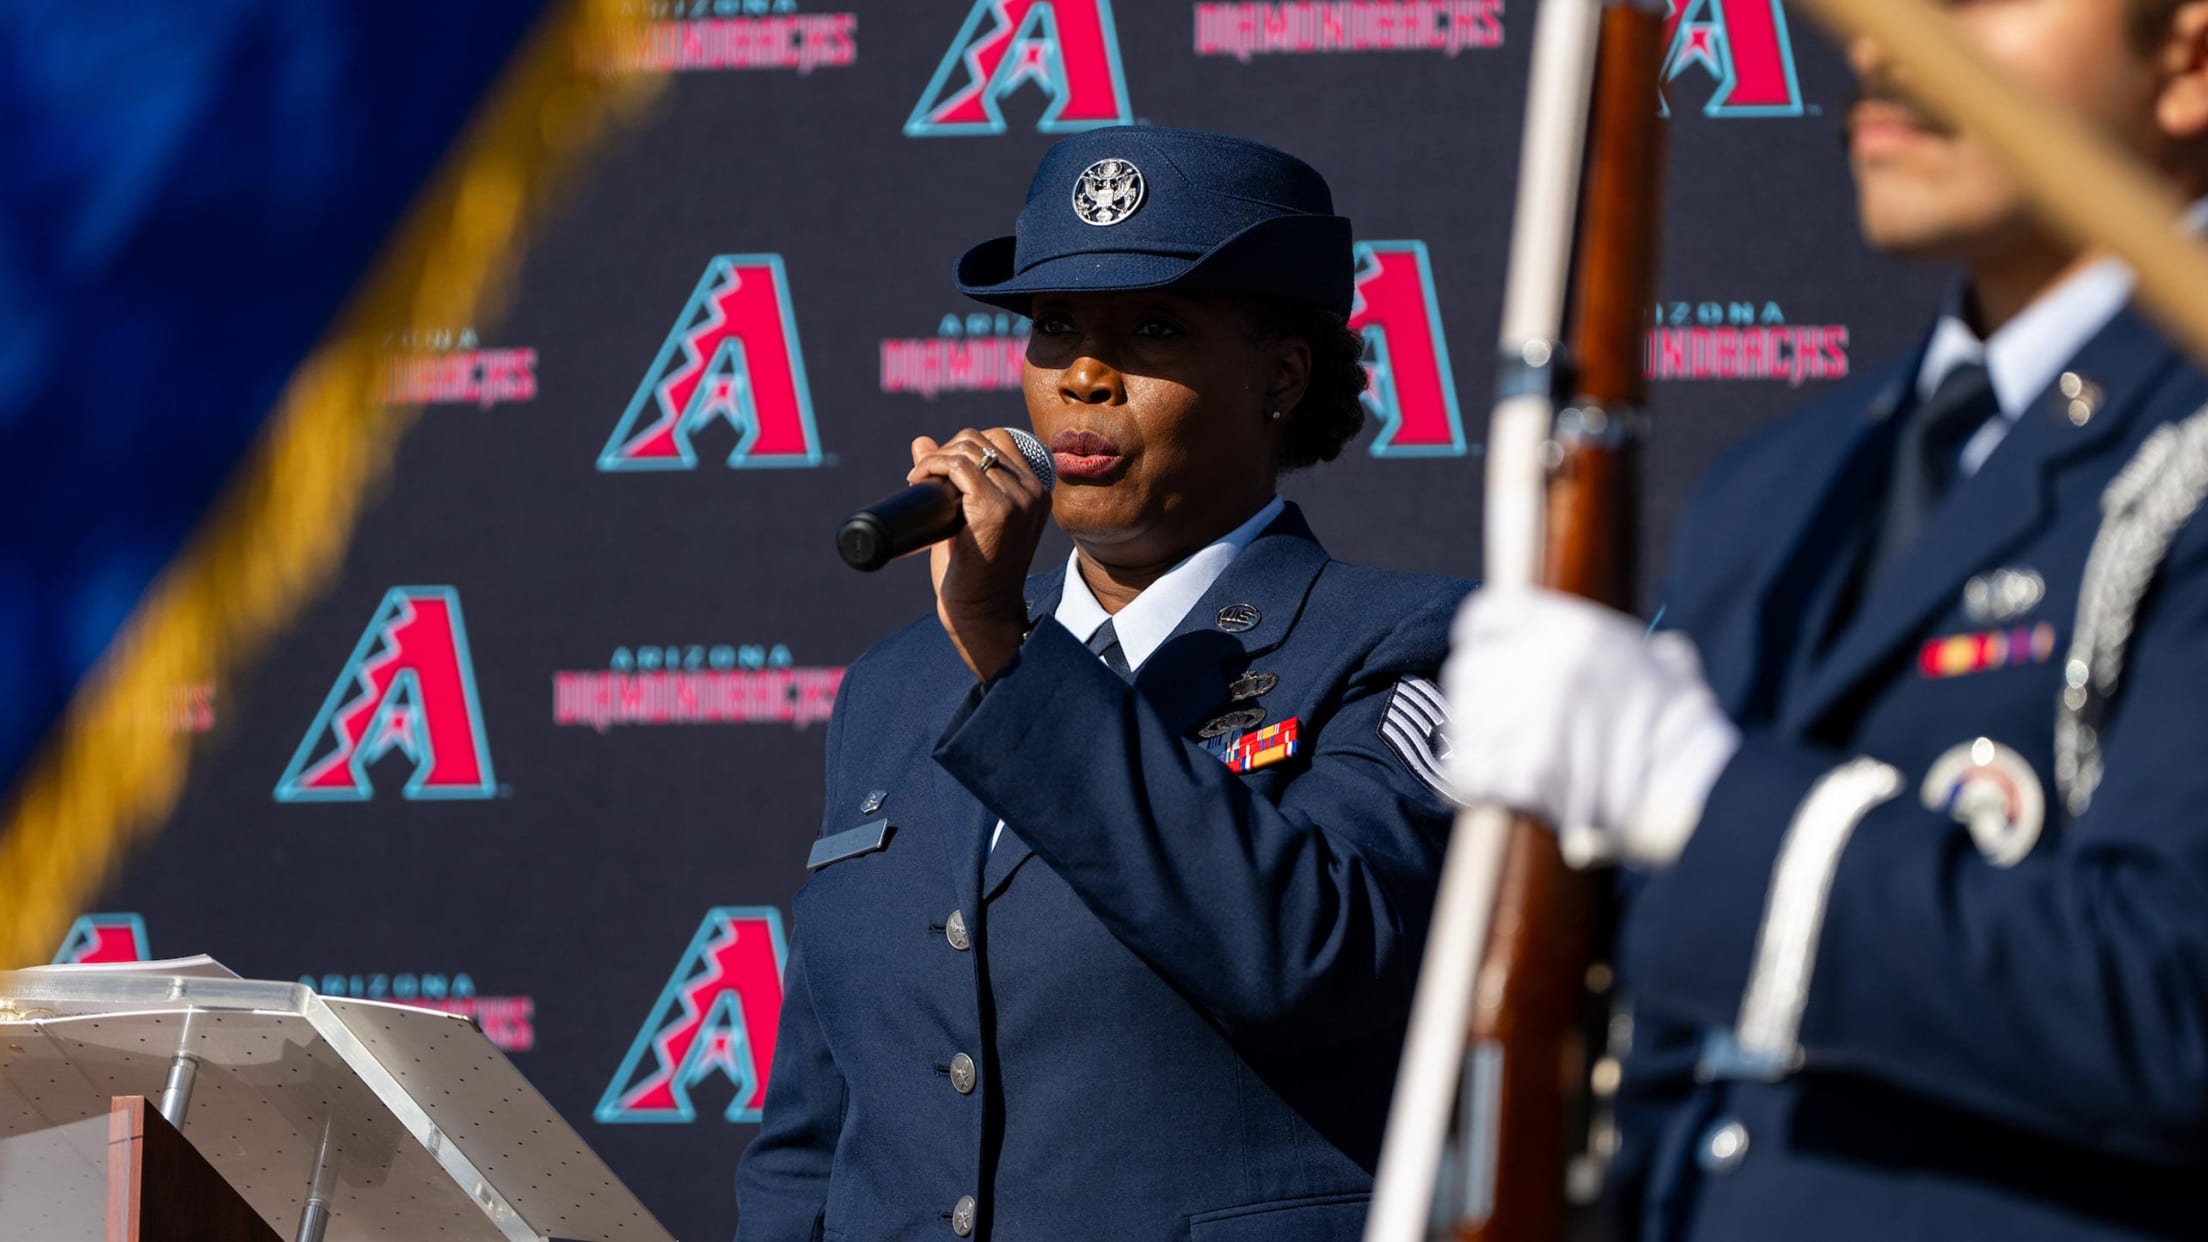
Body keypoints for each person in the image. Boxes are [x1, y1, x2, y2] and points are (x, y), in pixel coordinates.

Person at [1443, 0, 2208, 1237]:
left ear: (2188, 58)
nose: (1885, 48)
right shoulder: (1784, 489)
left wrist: (1709, 804)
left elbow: (2175, 1003)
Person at [736, 126, 1469, 1241]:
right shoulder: (896, 684)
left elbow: (1307, 952)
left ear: (1281, 373)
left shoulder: (1420, 642)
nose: (1083, 373)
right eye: (1054, 328)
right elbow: (815, 1130)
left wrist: (1013, 656)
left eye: (1154, 329)